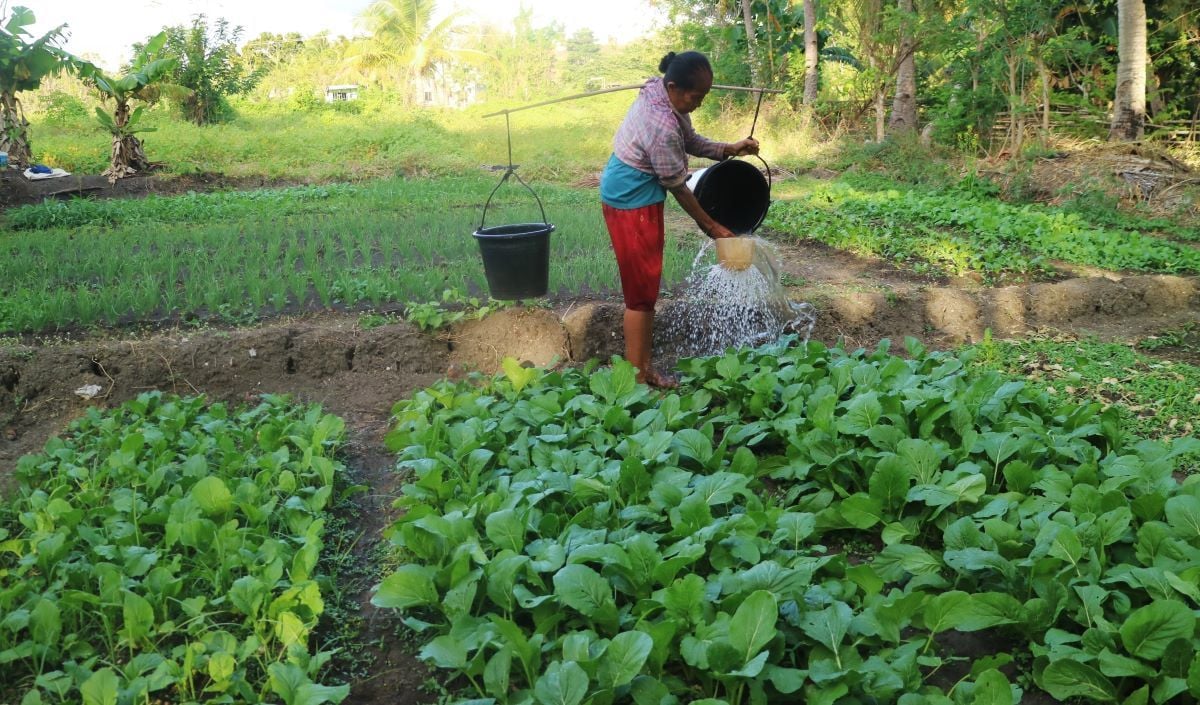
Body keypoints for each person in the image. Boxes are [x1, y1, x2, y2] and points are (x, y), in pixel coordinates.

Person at [600, 50, 760, 389]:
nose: (700, 102)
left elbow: (690, 140)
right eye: (696, 96)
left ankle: (641, 369)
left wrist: (730, 149)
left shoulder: (664, 98)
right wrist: (713, 227)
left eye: (704, 95)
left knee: (645, 289)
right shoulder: (659, 123)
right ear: (673, 86)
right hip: (631, 200)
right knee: (640, 294)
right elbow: (678, 186)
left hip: (634, 191)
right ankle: (638, 376)